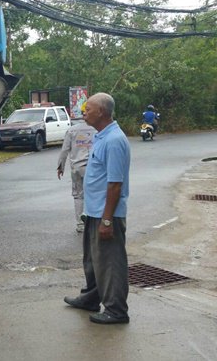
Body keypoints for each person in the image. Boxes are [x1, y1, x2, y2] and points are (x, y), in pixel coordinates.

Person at [63, 93, 131, 325]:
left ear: (101, 112)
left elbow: (114, 184)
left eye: (88, 109)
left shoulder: (114, 141)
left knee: (110, 264)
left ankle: (116, 311)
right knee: (93, 261)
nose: (84, 112)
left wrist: (107, 220)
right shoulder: (102, 136)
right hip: (94, 212)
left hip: (106, 214)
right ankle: (91, 298)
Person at [57, 102, 97, 233]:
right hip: (93, 168)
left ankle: (80, 224)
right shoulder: (97, 130)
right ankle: (94, 222)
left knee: (78, 196)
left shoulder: (72, 130)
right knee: (94, 195)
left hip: (76, 168)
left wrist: (60, 167)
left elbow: (64, 150)